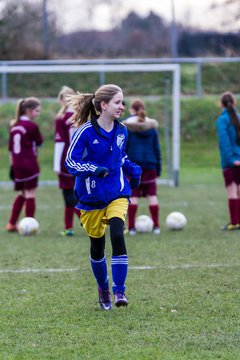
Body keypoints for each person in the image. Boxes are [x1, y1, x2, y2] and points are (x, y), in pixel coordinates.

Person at [65, 84, 142, 310]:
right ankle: (103, 287)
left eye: (123, 102)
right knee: (97, 247)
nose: (122, 106)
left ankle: (120, 291)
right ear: (103, 105)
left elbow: (120, 156)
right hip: (90, 197)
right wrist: (92, 168)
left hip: (117, 192)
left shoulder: (122, 130)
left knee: (118, 233)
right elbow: (71, 162)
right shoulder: (85, 132)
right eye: (118, 102)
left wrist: (131, 168)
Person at [122, 98, 162, 235]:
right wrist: (158, 168)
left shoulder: (126, 126)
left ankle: (131, 228)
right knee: (152, 195)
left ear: (131, 109)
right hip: (150, 165)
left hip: (133, 166)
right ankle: (156, 226)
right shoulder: (152, 126)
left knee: (133, 196)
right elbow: (157, 149)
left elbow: (123, 149)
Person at [6, 97, 43, 232]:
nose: (38, 114)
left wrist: (12, 167)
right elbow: (39, 143)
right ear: (28, 110)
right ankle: (29, 225)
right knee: (30, 194)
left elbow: (11, 150)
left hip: (16, 166)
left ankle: (11, 223)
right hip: (30, 164)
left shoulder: (14, 125)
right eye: (37, 111)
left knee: (22, 194)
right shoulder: (32, 126)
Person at [53, 86, 81, 236]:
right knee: (76, 194)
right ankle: (68, 227)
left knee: (68, 195)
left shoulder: (61, 118)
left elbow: (60, 142)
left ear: (62, 100)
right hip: (80, 159)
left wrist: (56, 164)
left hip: (66, 159)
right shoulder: (81, 116)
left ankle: (85, 221)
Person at [216, 91, 240, 230]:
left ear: (221, 104)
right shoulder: (239, 118)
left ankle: (235, 222)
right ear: (234, 103)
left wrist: (231, 160)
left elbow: (224, 143)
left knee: (232, 191)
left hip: (230, 162)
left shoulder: (222, 120)